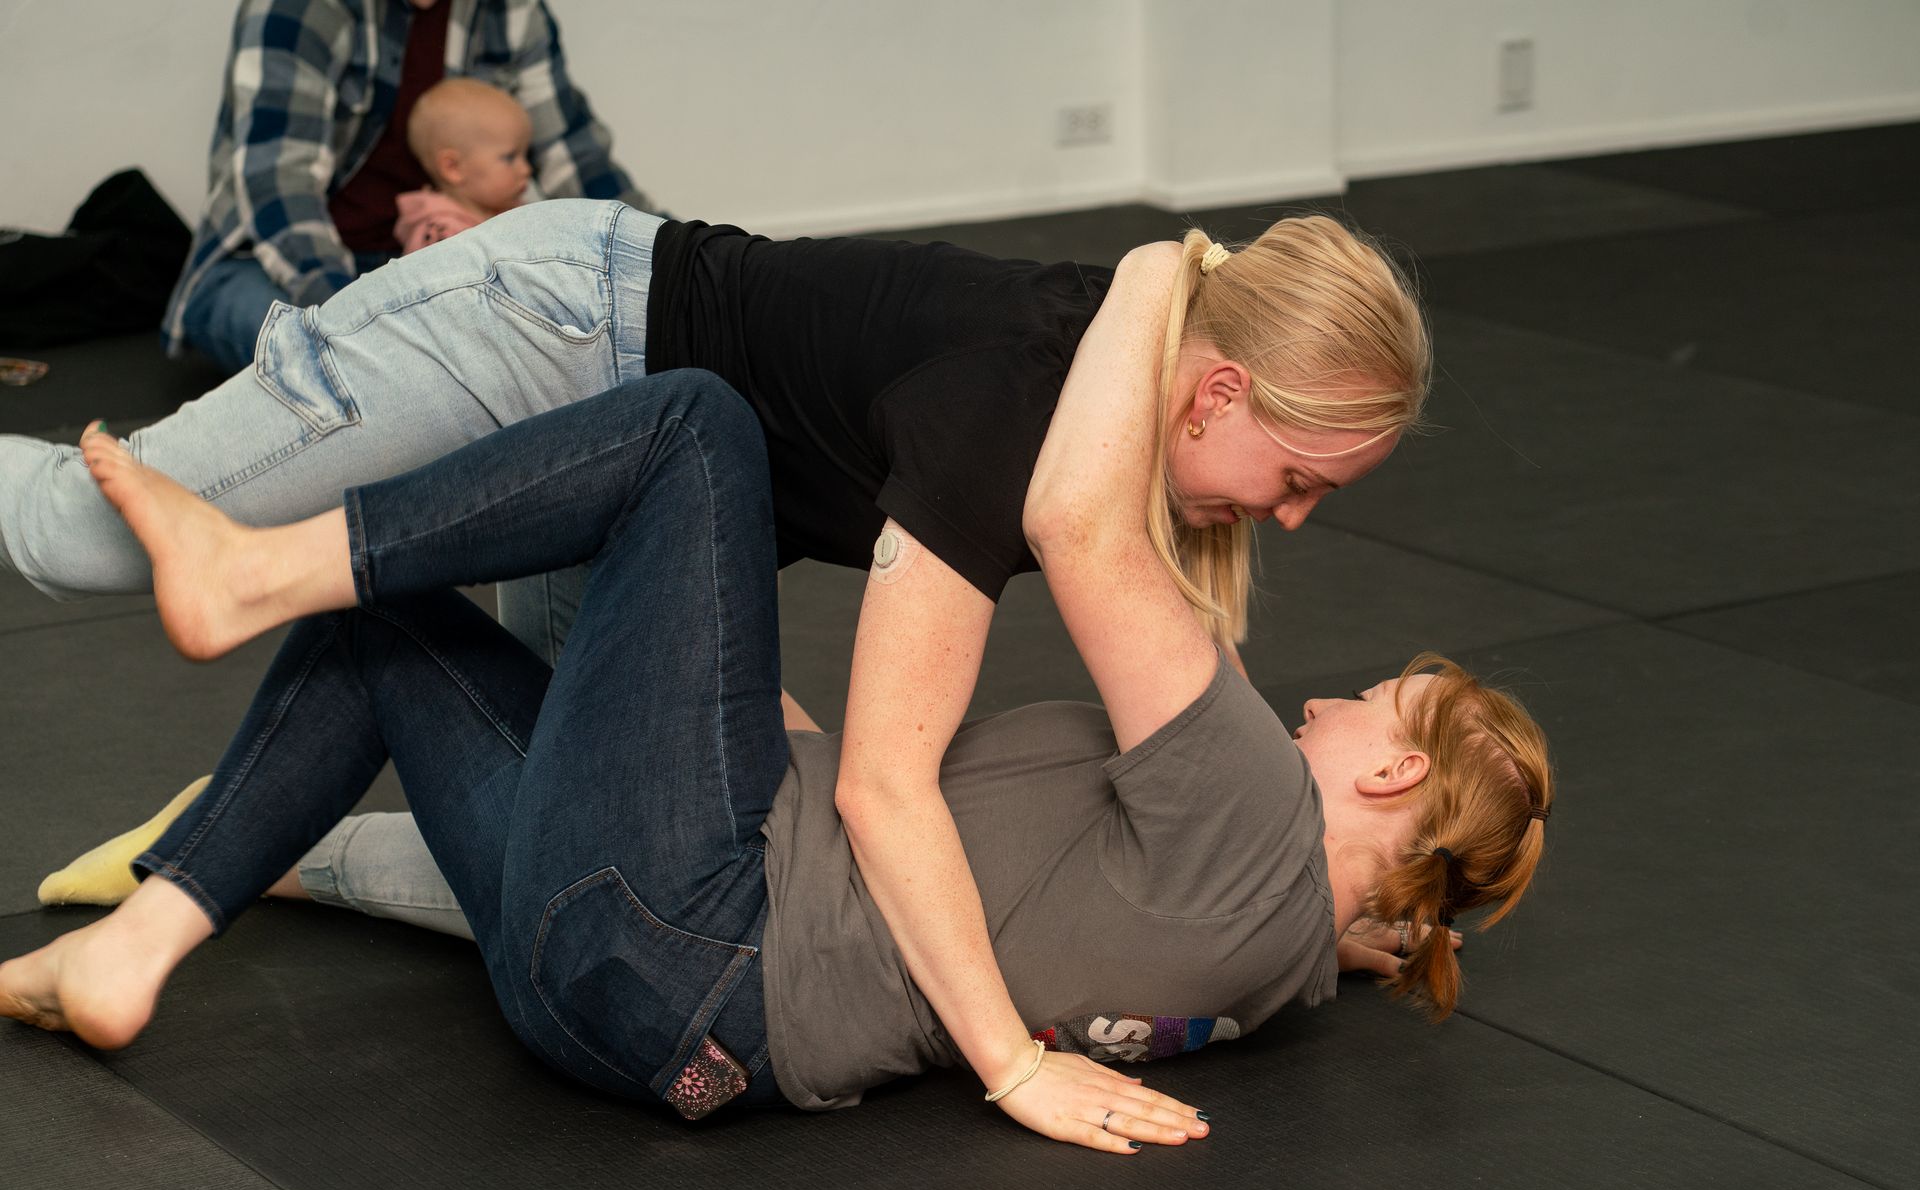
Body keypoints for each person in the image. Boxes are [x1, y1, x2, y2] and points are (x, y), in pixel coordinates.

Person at [0, 196, 1427, 1141]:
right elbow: (882, 779)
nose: (1293, 517)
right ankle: (246, 583)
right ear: (1220, 388)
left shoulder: (1089, 441)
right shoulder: (1027, 391)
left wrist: (1359, 903)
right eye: (1302, 476)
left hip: (609, 528)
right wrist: (1016, 1064)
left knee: (507, 677)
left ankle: (150, 929)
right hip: (562, 335)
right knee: (80, 528)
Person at [166, 0, 650, 373]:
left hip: (417, 264)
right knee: (344, 370)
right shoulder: (303, 8)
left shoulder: (509, 11)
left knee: (563, 352)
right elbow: (278, 186)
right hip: (272, 268)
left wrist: (676, 262)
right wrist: (364, 323)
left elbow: (575, 156)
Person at [394, 78, 534, 253]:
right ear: (453, 168)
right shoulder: (440, 236)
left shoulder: (516, 214)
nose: (526, 170)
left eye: (526, 155)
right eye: (509, 158)